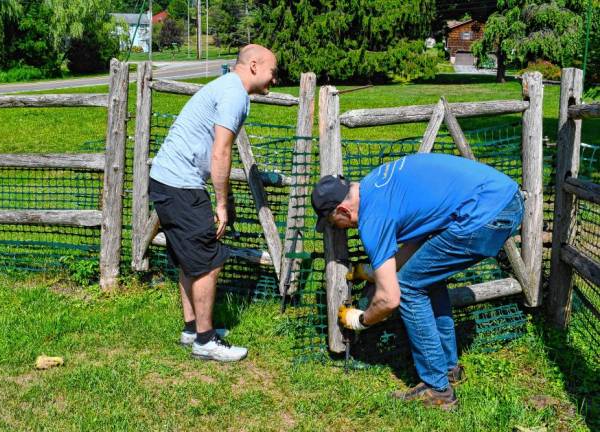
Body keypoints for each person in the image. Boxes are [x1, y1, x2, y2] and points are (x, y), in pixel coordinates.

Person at [312, 153, 524, 409]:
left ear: (343, 210)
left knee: (410, 286)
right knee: (426, 279)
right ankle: (448, 369)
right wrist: (371, 271)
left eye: (334, 224)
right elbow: (417, 244)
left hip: (485, 215)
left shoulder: (372, 219)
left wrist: (360, 320)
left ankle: (437, 389)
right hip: (504, 198)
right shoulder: (375, 184)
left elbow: (390, 299)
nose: (339, 229)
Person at [149, 44, 278, 362]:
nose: (274, 80)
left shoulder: (226, 88)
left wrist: (223, 198)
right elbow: (220, 152)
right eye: (272, 72)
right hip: (180, 183)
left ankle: (192, 329)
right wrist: (221, 204)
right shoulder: (234, 94)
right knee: (210, 260)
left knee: (188, 258)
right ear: (253, 65)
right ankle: (205, 342)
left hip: (167, 180)